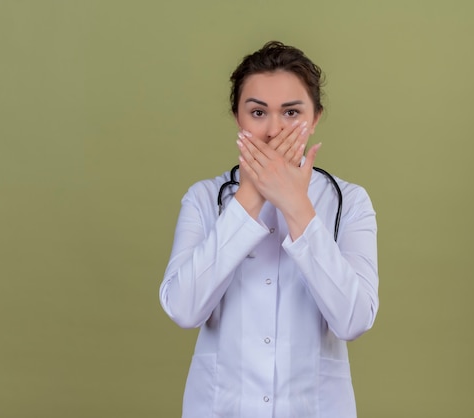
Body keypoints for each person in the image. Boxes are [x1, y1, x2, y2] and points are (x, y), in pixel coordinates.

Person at [159, 41, 379, 418]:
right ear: (237, 118)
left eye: (291, 112)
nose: (274, 129)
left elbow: (354, 320)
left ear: (316, 117)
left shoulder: (350, 201)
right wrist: (249, 198)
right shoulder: (204, 198)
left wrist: (296, 205)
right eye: (258, 112)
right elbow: (182, 309)